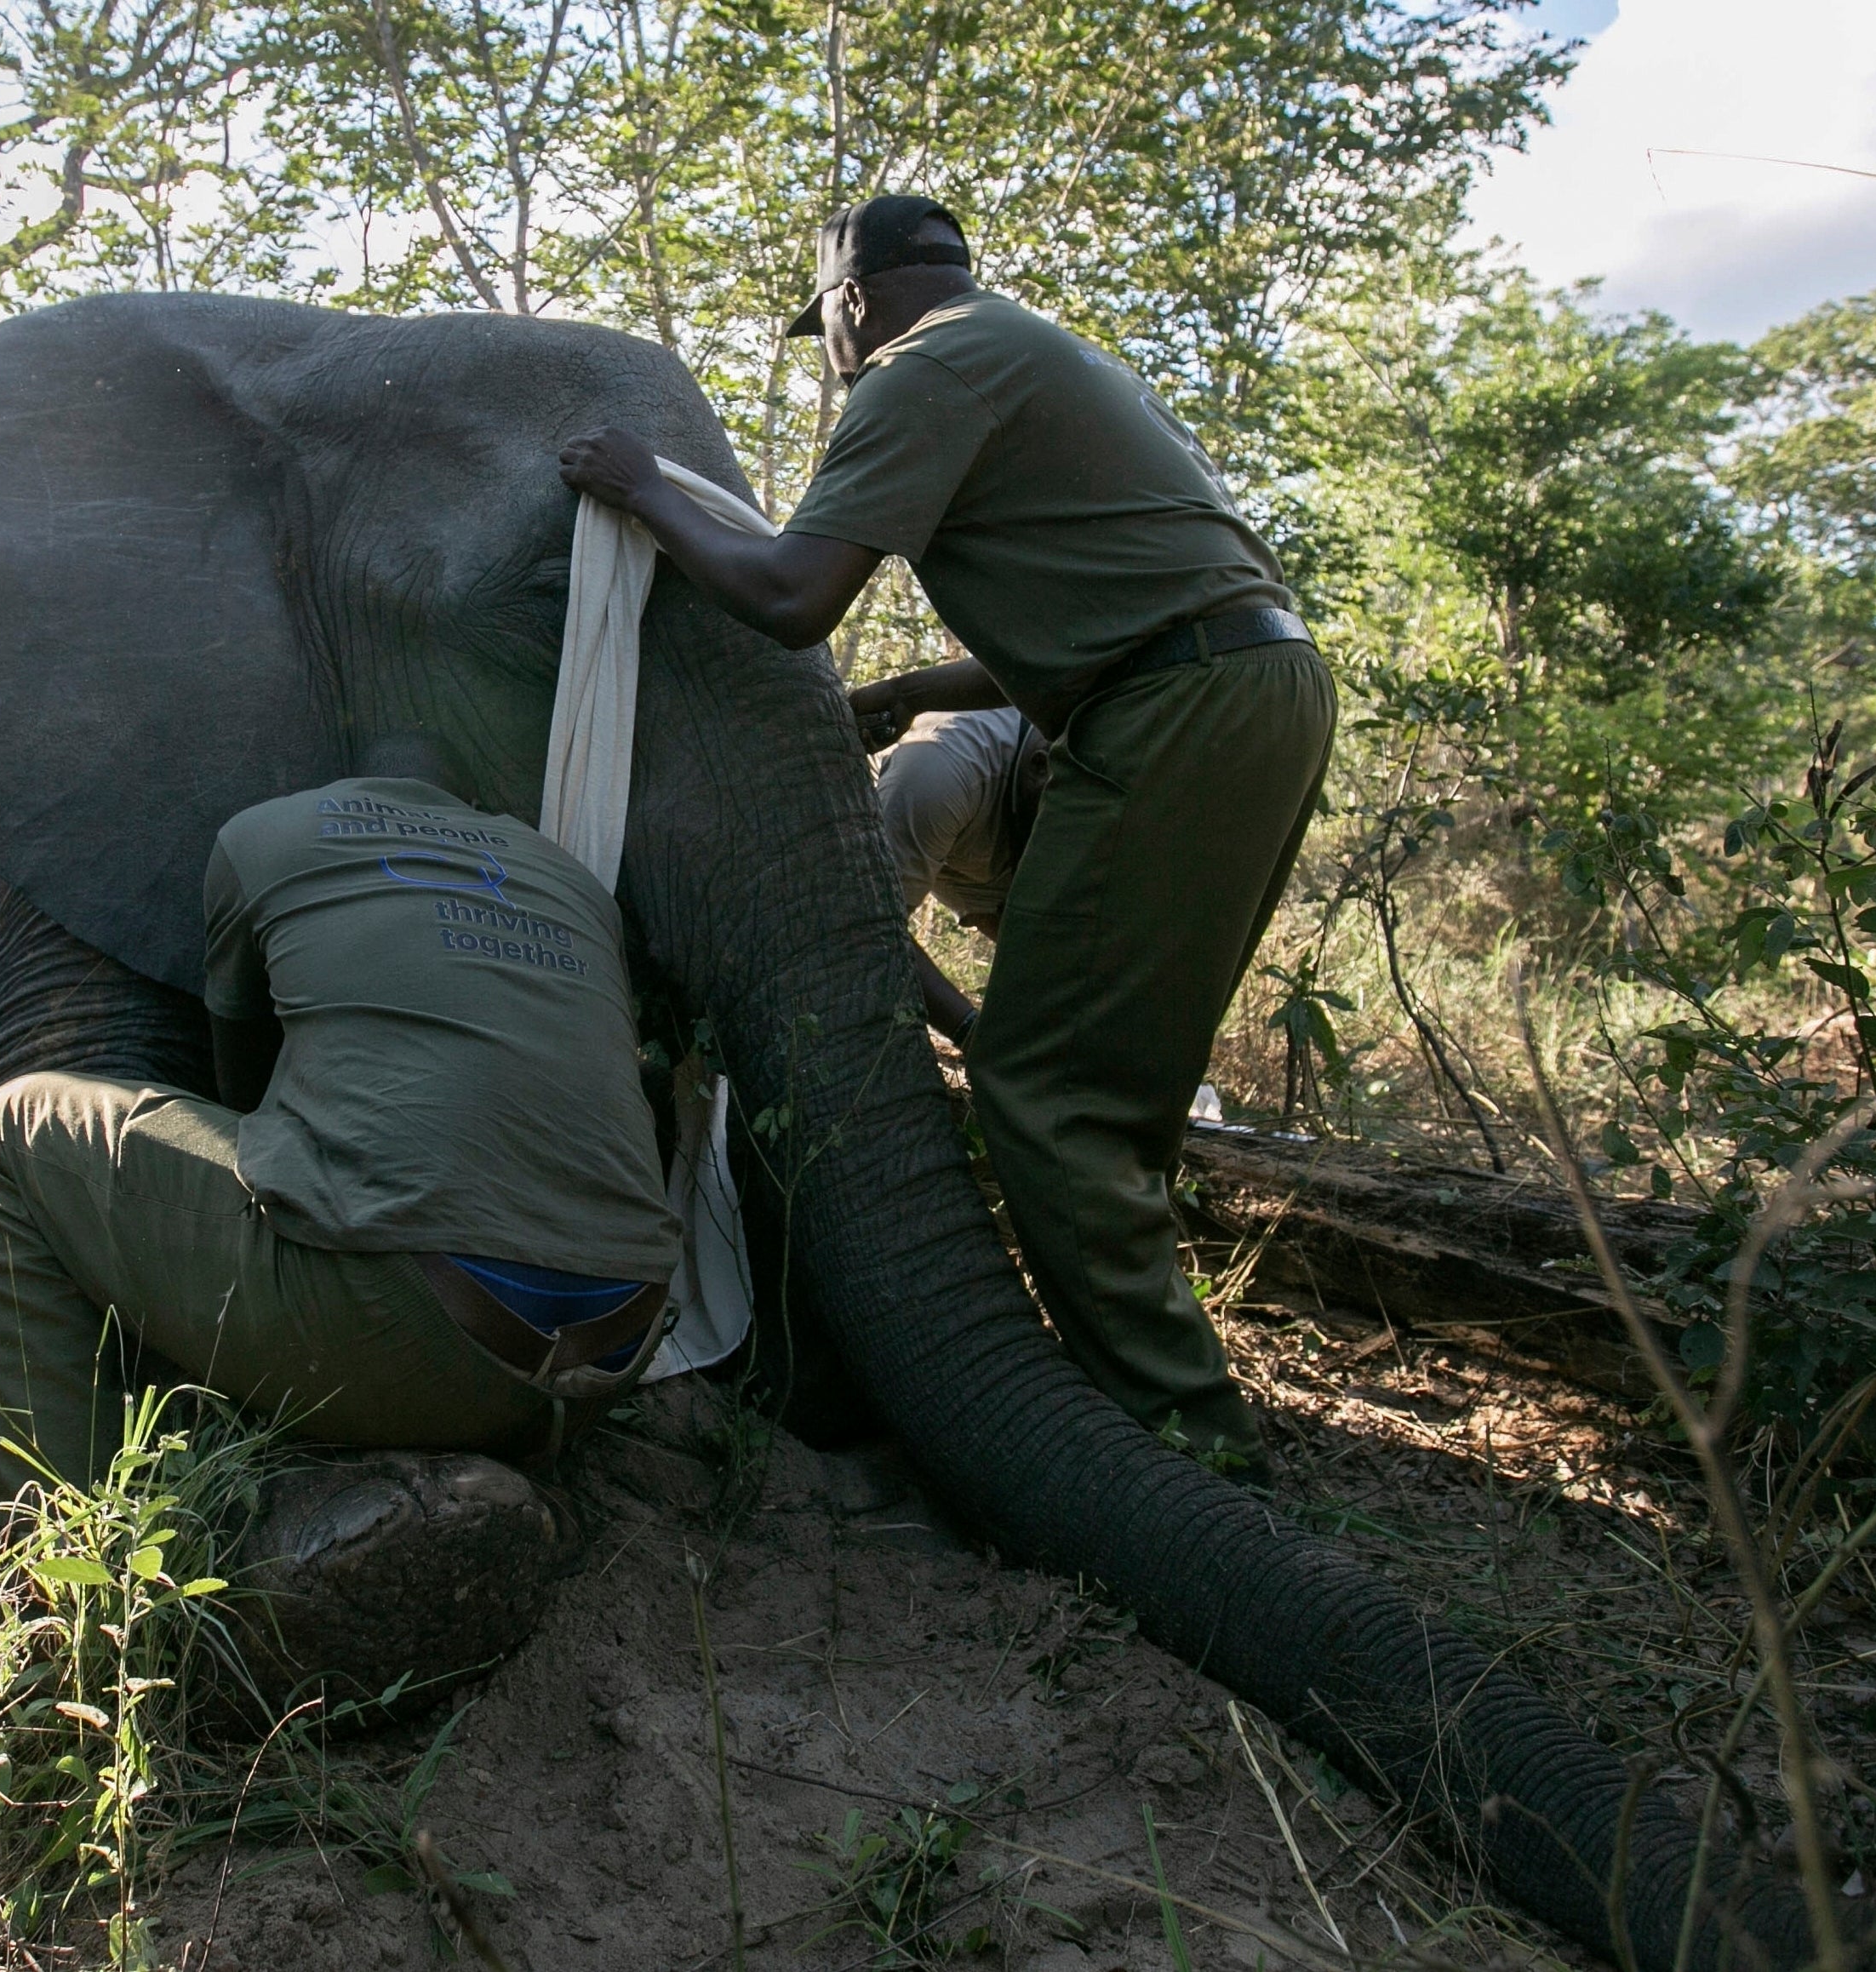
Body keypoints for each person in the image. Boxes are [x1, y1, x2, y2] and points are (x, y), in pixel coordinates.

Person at [558, 194, 1331, 1472]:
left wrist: (643, 489)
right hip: (1253, 687)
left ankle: (1179, 1448)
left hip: (1174, 713)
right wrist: (919, 690)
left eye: (825, 327)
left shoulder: (920, 372)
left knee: (1044, 1092)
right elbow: (1123, 595)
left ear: (852, 302)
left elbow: (792, 594)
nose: (830, 351)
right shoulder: (1029, 347)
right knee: (1111, 1093)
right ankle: (1160, 1391)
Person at [0, 735, 680, 1498]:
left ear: (349, 785)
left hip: (404, 1333)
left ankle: (39, 1542)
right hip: (608, 1360)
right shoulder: (574, 884)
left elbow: (243, 1085)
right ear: (474, 808)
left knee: (12, 1131)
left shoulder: (267, 834)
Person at [865, 702, 1046, 1043]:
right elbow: (871, 929)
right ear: (1042, 766)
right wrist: (969, 1032)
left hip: (982, 837)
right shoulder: (937, 771)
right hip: (907, 822)